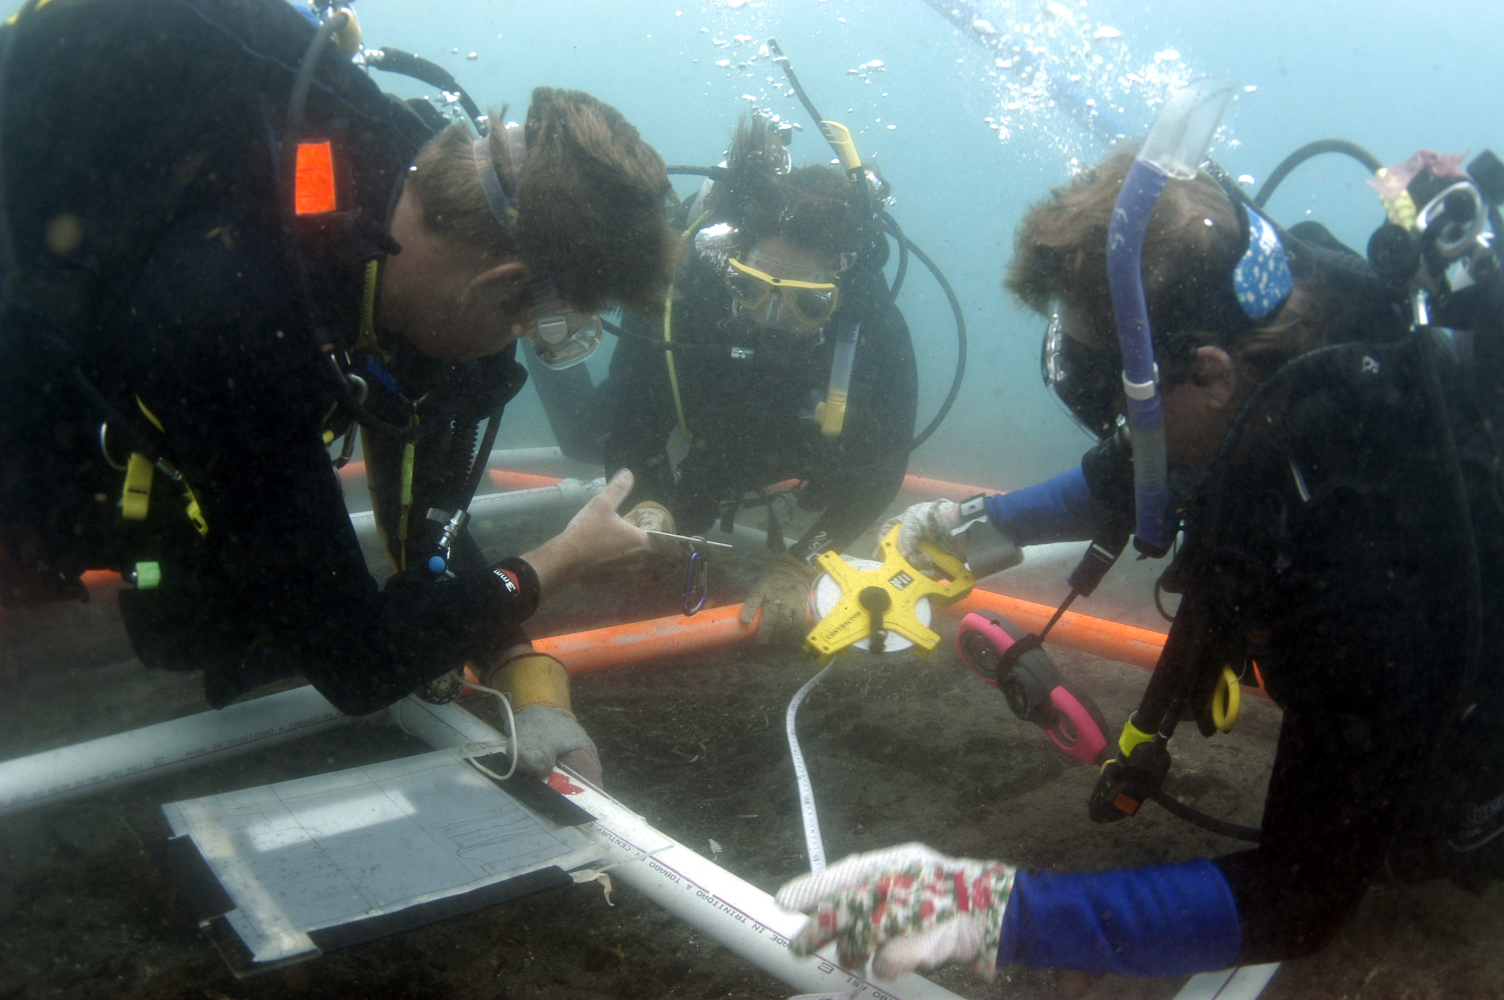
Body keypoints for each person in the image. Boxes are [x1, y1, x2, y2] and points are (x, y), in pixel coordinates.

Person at [775, 140, 1504, 978]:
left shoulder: (1372, 550)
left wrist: (995, 914)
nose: (1114, 438)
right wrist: (972, 528)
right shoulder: (1289, 354)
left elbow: (1298, 900)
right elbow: (1135, 470)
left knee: (1425, 832)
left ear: (1214, 373)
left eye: (1118, 406)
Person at [0, 0, 680, 783]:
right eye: (541, 327)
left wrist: (516, 662)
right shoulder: (240, 308)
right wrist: (558, 560)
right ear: (504, 282)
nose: (515, 346)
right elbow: (358, 664)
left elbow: (420, 513)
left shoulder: (398, 180)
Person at [602, 113, 917, 643]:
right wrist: (650, 508)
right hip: (706, 430)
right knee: (581, 430)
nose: (775, 317)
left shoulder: (871, 324)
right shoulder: (685, 292)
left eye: (808, 301)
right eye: (751, 289)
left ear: (839, 289)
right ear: (729, 266)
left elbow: (881, 469)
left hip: (791, 447)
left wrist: (801, 562)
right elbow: (629, 423)